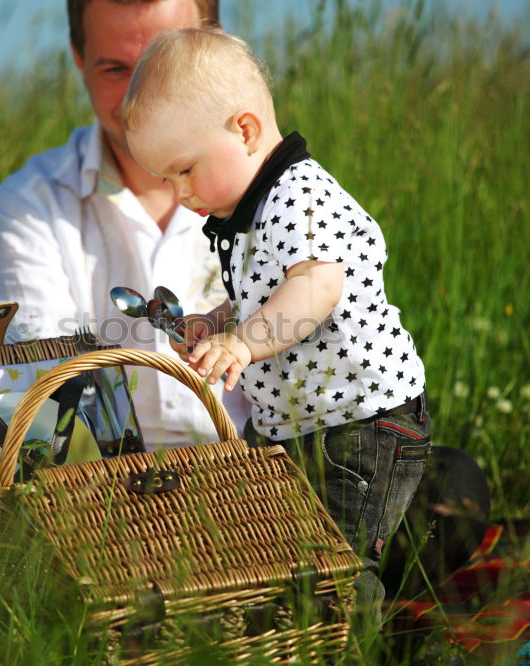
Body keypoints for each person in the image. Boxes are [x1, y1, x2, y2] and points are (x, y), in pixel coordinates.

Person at [122, 27, 431, 632]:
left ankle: (357, 644)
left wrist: (242, 343)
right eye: (167, 180)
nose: (180, 194)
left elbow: (314, 289)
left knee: (335, 565)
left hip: (360, 425)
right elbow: (264, 296)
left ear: (244, 130)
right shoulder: (252, 211)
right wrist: (217, 322)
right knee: (279, 550)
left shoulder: (299, 195)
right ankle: (288, 636)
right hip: (300, 424)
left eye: (185, 170)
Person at [0, 0, 250, 448]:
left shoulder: (278, 198)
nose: (140, 97)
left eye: (162, 64)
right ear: (79, 61)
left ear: (213, 46)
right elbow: (46, 405)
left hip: (265, 490)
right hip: (96, 502)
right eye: (114, 70)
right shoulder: (26, 208)